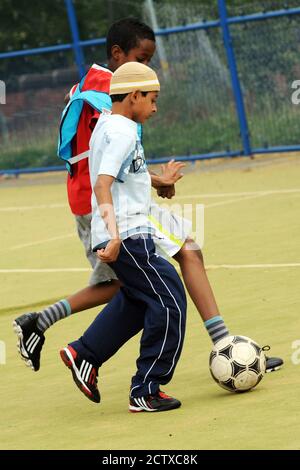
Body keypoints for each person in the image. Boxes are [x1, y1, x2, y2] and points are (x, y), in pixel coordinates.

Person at [13, 18, 283, 374]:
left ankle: (43, 324)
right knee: (184, 252)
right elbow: (110, 165)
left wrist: (154, 181)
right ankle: (223, 347)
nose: (147, 68)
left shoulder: (88, 83)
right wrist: (154, 182)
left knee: (122, 284)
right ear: (117, 54)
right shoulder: (113, 89)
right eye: (141, 58)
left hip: (88, 200)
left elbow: (114, 159)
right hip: (111, 205)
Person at [60, 62, 186, 412]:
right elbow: (102, 183)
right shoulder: (123, 132)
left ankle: (85, 353)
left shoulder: (111, 125)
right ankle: (145, 389)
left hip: (126, 232)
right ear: (134, 96)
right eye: (153, 99)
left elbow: (126, 175)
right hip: (127, 235)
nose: (155, 107)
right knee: (170, 299)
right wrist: (114, 236)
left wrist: (160, 181)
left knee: (137, 299)